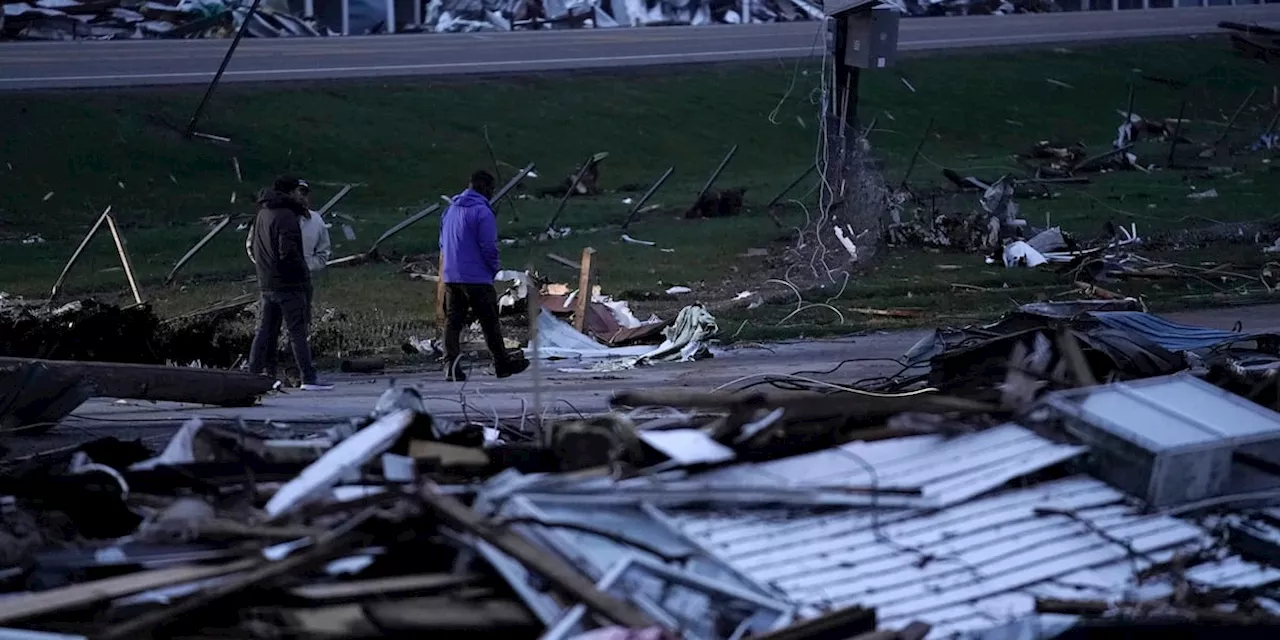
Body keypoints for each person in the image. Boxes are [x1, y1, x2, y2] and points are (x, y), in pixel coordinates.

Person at [439, 170, 529, 382]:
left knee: (453, 322)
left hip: (452, 275)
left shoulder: (451, 210)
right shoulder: (482, 212)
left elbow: (442, 242)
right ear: (486, 188)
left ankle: (450, 366)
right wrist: (493, 268)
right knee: (489, 321)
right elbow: (488, 246)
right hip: (477, 277)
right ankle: (501, 364)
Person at [246, 176, 333, 391]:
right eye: (299, 192)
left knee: (265, 330)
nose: (303, 197)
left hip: (267, 282)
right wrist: (301, 273)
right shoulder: (287, 216)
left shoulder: (263, 213)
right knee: (297, 331)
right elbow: (289, 252)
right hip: (289, 283)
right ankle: (308, 377)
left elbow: (256, 247)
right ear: (289, 193)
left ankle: (252, 375)